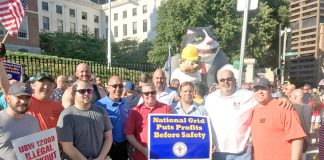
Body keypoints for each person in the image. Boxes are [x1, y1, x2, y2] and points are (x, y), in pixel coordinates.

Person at [204, 67, 291, 160]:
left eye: (229, 79)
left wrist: (281, 99)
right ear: (218, 82)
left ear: (234, 80)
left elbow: (265, 97)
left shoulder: (247, 95)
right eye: (222, 80)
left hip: (242, 153)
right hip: (218, 151)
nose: (226, 82)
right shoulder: (210, 99)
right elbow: (205, 121)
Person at [251, 77, 305, 160]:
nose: (259, 92)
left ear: (270, 89)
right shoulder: (253, 110)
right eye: (256, 89)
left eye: (263, 88)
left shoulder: (284, 107)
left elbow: (297, 137)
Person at [57, 81, 113, 159]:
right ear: (73, 94)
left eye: (89, 91)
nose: (86, 93)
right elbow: (67, 147)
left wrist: (101, 157)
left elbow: (108, 137)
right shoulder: (67, 115)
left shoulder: (102, 111)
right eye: (82, 91)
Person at [125, 83, 171, 160]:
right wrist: (144, 150)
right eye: (146, 93)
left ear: (156, 93)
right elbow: (129, 134)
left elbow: (172, 130)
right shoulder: (135, 111)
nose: (150, 95)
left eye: (152, 92)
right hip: (141, 155)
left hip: (162, 154)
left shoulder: (166, 108)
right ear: (142, 95)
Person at [0, 82, 40, 160]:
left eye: (27, 98)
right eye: (19, 97)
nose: (23, 101)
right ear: (7, 99)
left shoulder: (33, 121)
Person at [95, 76, 130, 160]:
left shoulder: (124, 103)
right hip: (107, 148)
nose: (118, 89)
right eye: (115, 86)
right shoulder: (100, 105)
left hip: (123, 146)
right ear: (108, 88)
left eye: (121, 86)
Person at [289, 89, 312, 153]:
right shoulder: (308, 107)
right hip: (305, 142)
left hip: (295, 143)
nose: (289, 98)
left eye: (290, 96)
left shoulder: (292, 108)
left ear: (295, 97)